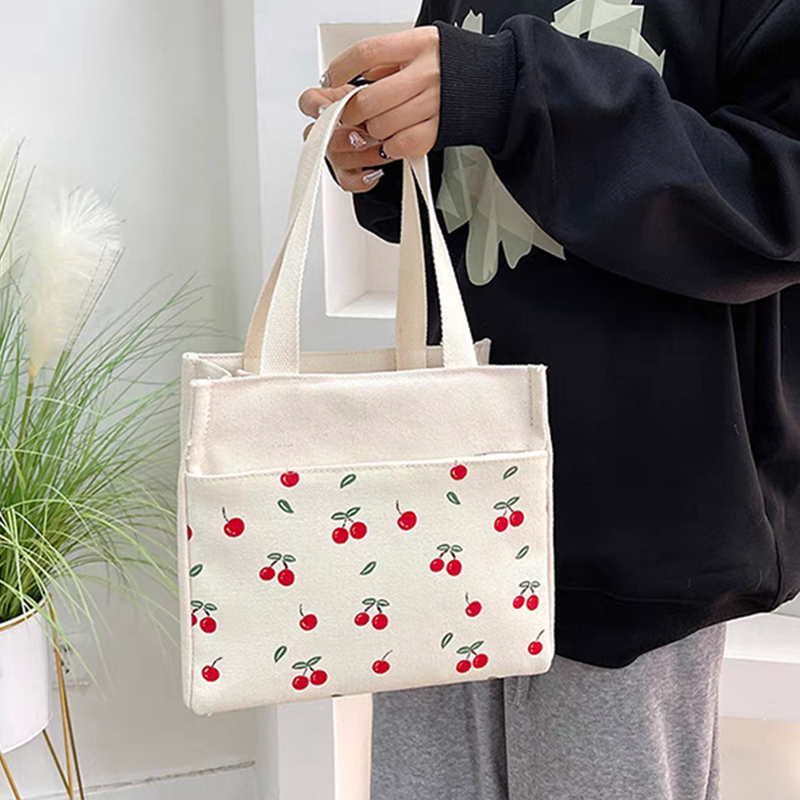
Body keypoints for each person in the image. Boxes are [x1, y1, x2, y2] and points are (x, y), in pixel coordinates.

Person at [299, 2, 800, 798]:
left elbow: (780, 199)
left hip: (635, 541)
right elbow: (456, 199)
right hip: (439, 516)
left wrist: (510, 88)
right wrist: (379, 141)